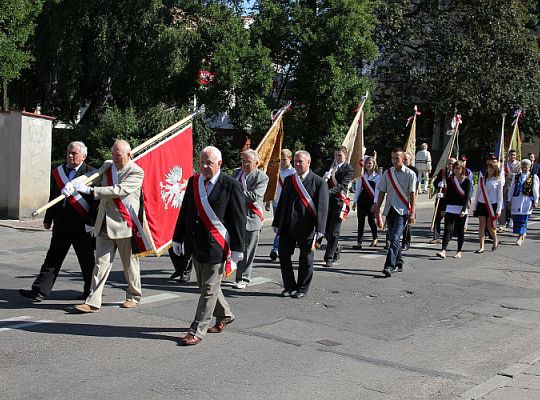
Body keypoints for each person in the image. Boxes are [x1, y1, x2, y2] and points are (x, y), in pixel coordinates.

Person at [172, 146, 245, 346]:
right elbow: (185, 211)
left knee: (208, 291)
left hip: (216, 246)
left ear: (219, 164)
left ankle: (197, 330)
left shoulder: (231, 185)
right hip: (195, 244)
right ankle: (226, 315)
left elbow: (238, 219)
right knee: (204, 286)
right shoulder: (194, 182)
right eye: (202, 162)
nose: (204, 166)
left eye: (209, 163)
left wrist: (238, 248)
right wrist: (177, 238)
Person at [69, 140, 145, 313]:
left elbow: (119, 190)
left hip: (124, 223)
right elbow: (93, 176)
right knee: (100, 263)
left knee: (130, 263)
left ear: (128, 155)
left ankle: (133, 296)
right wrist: (74, 183)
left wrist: (91, 192)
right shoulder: (108, 166)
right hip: (103, 222)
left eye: (118, 156)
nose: (114, 159)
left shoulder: (136, 172)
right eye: (113, 155)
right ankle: (93, 301)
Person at [19, 141, 97, 302]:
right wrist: (48, 219)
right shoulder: (59, 172)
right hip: (61, 223)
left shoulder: (91, 174)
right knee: (52, 258)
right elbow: (53, 197)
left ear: (84, 156)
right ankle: (39, 290)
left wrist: (92, 222)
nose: (70, 155)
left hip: (82, 225)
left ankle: (90, 292)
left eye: (74, 153)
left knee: (87, 260)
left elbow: (95, 201)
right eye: (69, 152)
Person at [272, 150, 328, 298]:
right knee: (284, 256)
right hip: (287, 226)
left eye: (300, 162)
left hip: (307, 228)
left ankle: (302, 288)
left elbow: (322, 208)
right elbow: (282, 202)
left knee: (306, 259)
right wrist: (276, 222)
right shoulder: (290, 180)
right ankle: (289, 286)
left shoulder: (318, 182)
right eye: (295, 161)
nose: (297, 164)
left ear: (308, 163)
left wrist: (320, 230)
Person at [373, 148, 417, 277]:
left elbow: (412, 194)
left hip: (402, 210)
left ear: (403, 159)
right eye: (392, 158)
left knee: (396, 238)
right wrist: (377, 209)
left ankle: (389, 266)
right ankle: (399, 262)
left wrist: (412, 212)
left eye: (397, 158)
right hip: (390, 209)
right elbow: (381, 191)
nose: (394, 160)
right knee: (393, 238)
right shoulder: (388, 173)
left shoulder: (410, 174)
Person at [232, 149, 269, 288]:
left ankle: (243, 278)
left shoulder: (262, 177)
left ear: (256, 163)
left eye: (248, 162)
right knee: (235, 246)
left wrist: (236, 192)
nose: (245, 165)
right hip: (236, 215)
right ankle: (233, 273)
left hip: (252, 217)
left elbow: (254, 196)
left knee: (248, 250)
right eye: (243, 162)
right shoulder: (236, 173)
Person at [320, 146, 354, 267]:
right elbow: (321, 179)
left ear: (345, 156)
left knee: (334, 231)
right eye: (335, 155)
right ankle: (336, 247)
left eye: (340, 155)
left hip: (339, 202)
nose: (337, 158)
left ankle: (328, 257)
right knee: (325, 231)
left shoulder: (348, 169)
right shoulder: (329, 165)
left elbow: (341, 186)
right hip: (327, 202)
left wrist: (326, 192)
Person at [436, 161, 472, 259]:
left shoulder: (467, 181)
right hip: (450, 207)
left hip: (461, 208)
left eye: (458, 168)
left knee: (460, 230)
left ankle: (459, 251)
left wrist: (464, 209)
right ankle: (443, 250)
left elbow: (467, 197)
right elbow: (448, 195)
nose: (455, 170)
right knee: (447, 229)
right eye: (455, 168)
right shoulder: (450, 179)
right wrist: (443, 208)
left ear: (462, 169)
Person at [268, 149, 295, 261]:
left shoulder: (294, 172)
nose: (282, 162)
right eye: (280, 160)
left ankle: (276, 248)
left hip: (288, 204)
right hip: (276, 202)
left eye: (284, 159)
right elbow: (271, 186)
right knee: (279, 226)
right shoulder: (276, 171)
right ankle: (278, 248)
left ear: (290, 159)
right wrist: (268, 201)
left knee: (282, 226)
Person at [472, 161, 503, 253]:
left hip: (492, 205)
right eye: (489, 167)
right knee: (481, 226)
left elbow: (500, 196)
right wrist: (475, 206)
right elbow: (478, 193)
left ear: (495, 169)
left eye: (492, 168)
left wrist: (499, 209)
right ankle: (481, 247)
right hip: (482, 204)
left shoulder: (498, 180)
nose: (490, 169)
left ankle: (495, 239)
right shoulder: (482, 179)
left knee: (490, 227)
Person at [508, 159, 539, 245]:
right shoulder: (517, 176)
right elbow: (512, 188)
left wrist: (535, 201)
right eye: (523, 167)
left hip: (527, 200)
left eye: (526, 167)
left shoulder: (533, 177)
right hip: (517, 199)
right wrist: (509, 199)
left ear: (529, 167)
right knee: (517, 218)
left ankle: (520, 236)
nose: (524, 169)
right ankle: (522, 233)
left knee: (524, 218)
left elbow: (535, 189)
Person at [351, 156, 381, 249]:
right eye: (367, 163)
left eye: (370, 163)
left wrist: (375, 203)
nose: (368, 165)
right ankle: (359, 242)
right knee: (360, 222)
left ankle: (375, 238)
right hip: (362, 201)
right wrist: (355, 202)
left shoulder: (378, 177)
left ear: (374, 164)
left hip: (371, 201)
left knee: (371, 221)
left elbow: (377, 191)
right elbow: (358, 190)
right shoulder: (362, 177)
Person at [430, 157, 456, 244]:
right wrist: (438, 184)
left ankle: (448, 236)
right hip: (440, 199)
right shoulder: (442, 172)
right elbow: (435, 182)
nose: (450, 165)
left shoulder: (456, 174)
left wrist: (446, 188)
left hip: (451, 200)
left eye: (452, 164)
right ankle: (436, 237)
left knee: (449, 220)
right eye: (449, 163)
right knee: (437, 218)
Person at [400, 152, 419, 251]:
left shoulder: (414, 171)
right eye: (404, 159)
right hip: (399, 198)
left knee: (408, 223)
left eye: (407, 159)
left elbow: (415, 188)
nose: (405, 161)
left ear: (410, 160)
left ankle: (406, 242)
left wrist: (414, 202)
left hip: (409, 199)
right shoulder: (399, 170)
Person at [501, 150, 521, 229]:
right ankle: (504, 221)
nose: (513, 156)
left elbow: (518, 175)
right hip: (504, 187)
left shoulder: (519, 164)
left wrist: (509, 175)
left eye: (514, 155)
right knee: (504, 205)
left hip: (513, 187)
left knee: (512, 205)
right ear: (508, 155)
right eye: (511, 155)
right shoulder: (504, 164)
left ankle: (512, 220)